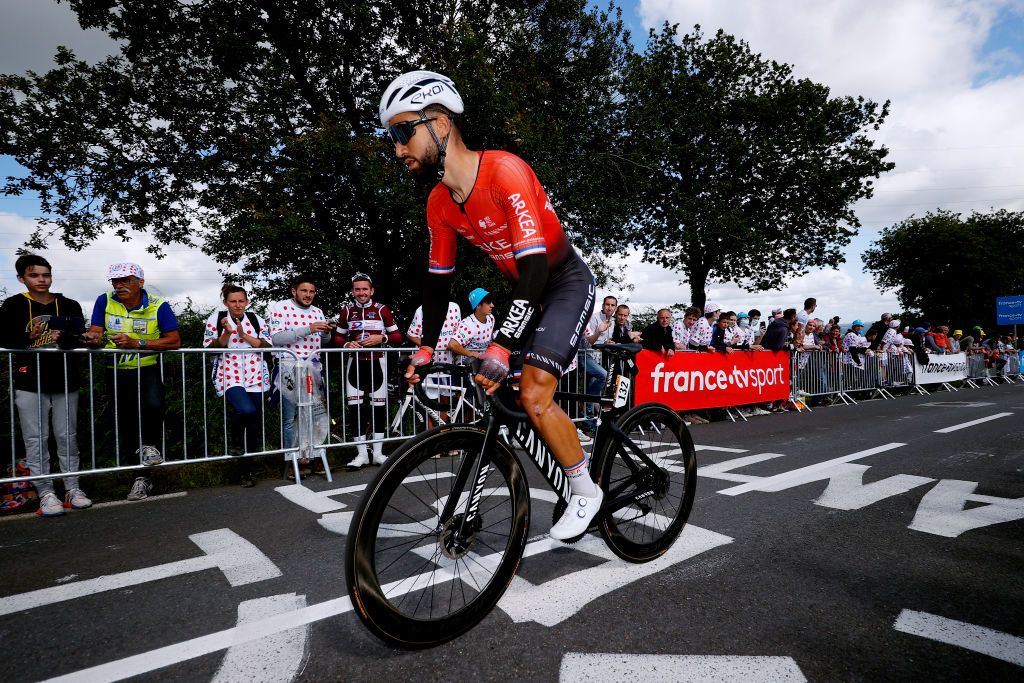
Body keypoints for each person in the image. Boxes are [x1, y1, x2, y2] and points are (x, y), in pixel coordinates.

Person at [382, 69, 600, 540]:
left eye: (403, 132)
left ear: (439, 123)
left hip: (561, 282)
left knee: (534, 391)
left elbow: (537, 267)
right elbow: (438, 284)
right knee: (502, 395)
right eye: (392, 138)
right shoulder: (439, 204)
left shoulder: (505, 171)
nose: (398, 149)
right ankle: (558, 457)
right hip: (528, 293)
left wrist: (501, 346)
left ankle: (585, 488)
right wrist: (426, 347)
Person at [82, 262, 181, 501]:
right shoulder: (104, 300)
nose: (119, 285)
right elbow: (96, 332)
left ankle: (149, 453)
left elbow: (175, 341)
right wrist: (89, 338)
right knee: (125, 422)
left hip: (146, 368)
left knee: (154, 406)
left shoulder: (158, 305)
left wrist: (139, 344)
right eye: (115, 281)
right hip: (115, 370)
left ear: (140, 282)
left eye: (125, 280)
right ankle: (140, 476)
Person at [0, 255, 90, 516]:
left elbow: (78, 338)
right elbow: (5, 338)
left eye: (46, 274)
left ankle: (73, 488)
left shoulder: (69, 304)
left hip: (65, 378)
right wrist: (29, 336)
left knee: (67, 436)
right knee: (35, 438)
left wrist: (72, 337)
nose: (41, 280)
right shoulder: (13, 305)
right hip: (29, 381)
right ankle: (46, 493)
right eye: (34, 275)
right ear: (21, 278)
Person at [202, 283, 272, 488]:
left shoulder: (255, 319)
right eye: (233, 301)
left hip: (256, 374)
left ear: (247, 302)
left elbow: (268, 346)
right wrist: (226, 334)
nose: (237, 305)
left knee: (253, 425)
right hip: (229, 373)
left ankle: (246, 471)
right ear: (225, 302)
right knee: (246, 409)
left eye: (241, 301)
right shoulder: (216, 319)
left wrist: (243, 335)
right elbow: (208, 350)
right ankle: (234, 439)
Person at [334, 273, 403, 467]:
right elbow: (337, 338)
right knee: (356, 409)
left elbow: (397, 336)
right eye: (357, 289)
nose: (361, 293)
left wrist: (382, 338)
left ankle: (379, 453)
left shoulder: (382, 310)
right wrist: (347, 343)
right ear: (353, 291)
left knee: (378, 408)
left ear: (371, 290)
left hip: (377, 363)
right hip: (354, 365)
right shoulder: (347, 311)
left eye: (365, 289)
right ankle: (362, 454)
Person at [267, 274, 333, 454]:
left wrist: (326, 332)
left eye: (312, 291)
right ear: (294, 291)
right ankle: (292, 459)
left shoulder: (318, 311)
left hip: (313, 368)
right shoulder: (280, 307)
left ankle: (313, 455)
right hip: (289, 367)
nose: (308, 295)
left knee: (315, 414)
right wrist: (309, 329)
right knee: (291, 417)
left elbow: (323, 341)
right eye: (304, 290)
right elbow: (277, 338)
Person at [448, 288, 496, 363]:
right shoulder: (468, 325)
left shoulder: (491, 318)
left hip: (482, 363)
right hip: (465, 366)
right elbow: (452, 344)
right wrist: (471, 354)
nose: (492, 305)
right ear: (478, 305)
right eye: (488, 302)